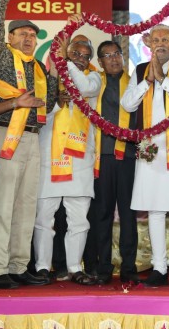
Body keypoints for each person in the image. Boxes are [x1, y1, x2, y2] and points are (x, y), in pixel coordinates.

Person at [0, 0, 58, 289]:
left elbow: (49, 103)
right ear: (10, 37)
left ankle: (18, 265)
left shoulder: (39, 69)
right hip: (4, 136)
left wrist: (55, 76)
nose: (28, 38)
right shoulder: (1, 56)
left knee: (27, 204)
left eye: (33, 34)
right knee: (3, 205)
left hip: (32, 139)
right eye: (22, 33)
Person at [121, 24, 169, 287]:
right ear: (149, 44)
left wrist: (164, 81)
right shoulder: (141, 70)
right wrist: (148, 81)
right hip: (150, 151)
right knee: (155, 210)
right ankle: (159, 268)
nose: (161, 43)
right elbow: (127, 103)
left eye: (166, 38)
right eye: (156, 40)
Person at [33, 40, 100, 285]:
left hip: (79, 158)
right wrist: (55, 103)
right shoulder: (47, 79)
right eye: (75, 53)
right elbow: (38, 113)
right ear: (65, 53)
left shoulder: (93, 79)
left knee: (79, 219)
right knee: (44, 219)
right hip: (49, 156)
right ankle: (41, 267)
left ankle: (74, 267)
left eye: (85, 55)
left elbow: (84, 88)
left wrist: (66, 63)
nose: (80, 58)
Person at [82, 40, 139, 284]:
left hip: (128, 157)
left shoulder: (137, 81)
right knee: (101, 215)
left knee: (128, 214)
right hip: (101, 158)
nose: (113, 59)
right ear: (100, 62)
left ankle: (129, 267)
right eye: (107, 55)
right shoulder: (94, 83)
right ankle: (102, 267)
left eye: (117, 54)